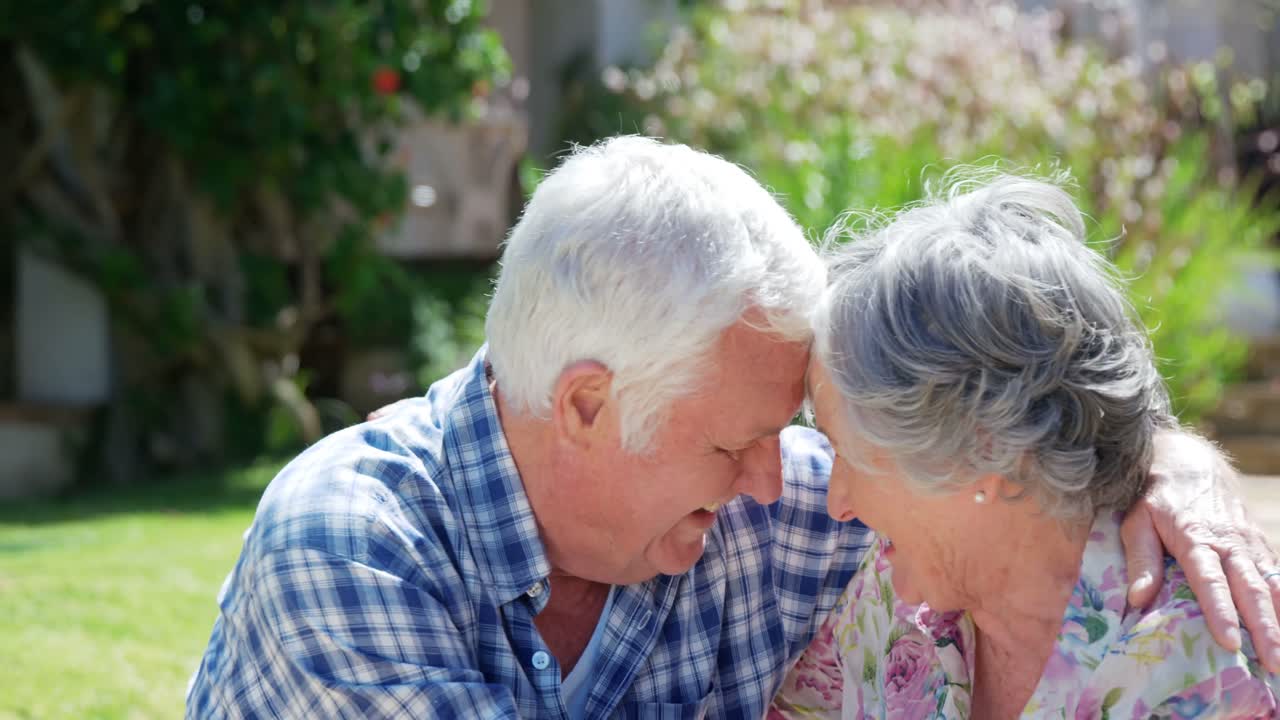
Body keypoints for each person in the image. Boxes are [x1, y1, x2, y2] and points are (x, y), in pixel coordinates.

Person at [186, 138, 1279, 719]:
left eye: (793, 434)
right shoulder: (347, 549)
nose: (782, 477)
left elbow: (998, 466)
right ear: (583, 405)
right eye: (731, 443)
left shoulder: (779, 516)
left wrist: (1156, 462)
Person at [770, 173, 1279, 719]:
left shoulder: (1200, 669)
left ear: (980, 448)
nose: (837, 501)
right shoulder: (894, 596)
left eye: (847, 454)